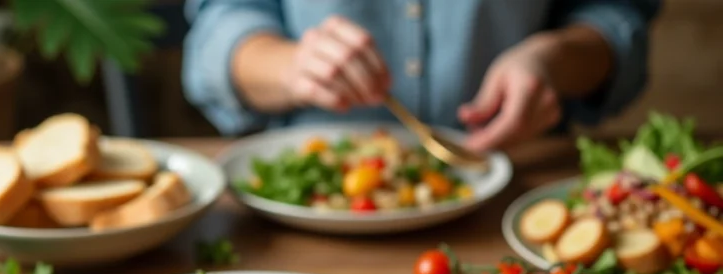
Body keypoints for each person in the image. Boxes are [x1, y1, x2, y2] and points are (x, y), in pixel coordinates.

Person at [182, 1, 660, 151]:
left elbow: (617, 20)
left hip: (516, 194)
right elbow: (217, 30)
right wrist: (287, 64)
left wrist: (554, 58)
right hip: (294, 225)